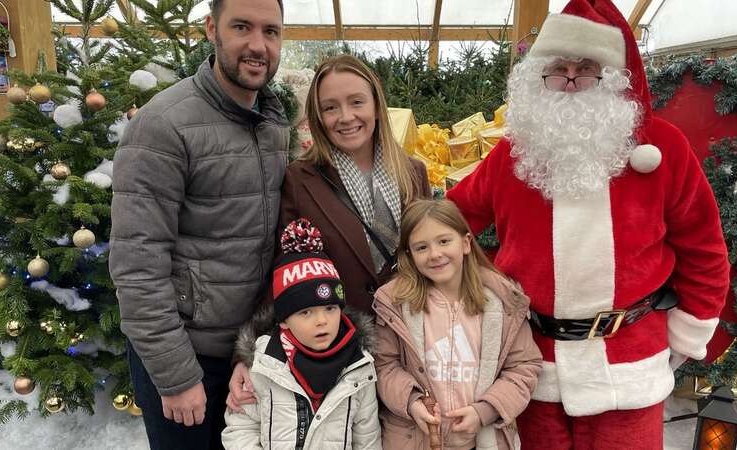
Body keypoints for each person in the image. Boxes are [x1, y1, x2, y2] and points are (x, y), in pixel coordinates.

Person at [446, 0, 730, 448]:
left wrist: (686, 333)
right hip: (533, 366)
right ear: (538, 77)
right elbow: (450, 221)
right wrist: (483, 289)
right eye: (559, 69)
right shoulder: (514, 153)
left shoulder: (664, 150)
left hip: (628, 366)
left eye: (588, 69)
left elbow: (705, 250)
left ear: (614, 79)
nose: (573, 81)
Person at [109, 0, 288, 448]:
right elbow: (137, 263)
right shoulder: (164, 125)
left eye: (271, 31)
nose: (258, 45)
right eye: (242, 27)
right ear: (211, 28)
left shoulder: (272, 122)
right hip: (189, 355)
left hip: (248, 353)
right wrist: (176, 376)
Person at [227, 54, 433, 412]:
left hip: (410, 345)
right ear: (318, 116)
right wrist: (247, 356)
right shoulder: (301, 179)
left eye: (356, 102)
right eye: (331, 107)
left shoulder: (412, 173)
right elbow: (284, 266)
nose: (346, 117)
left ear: (376, 104)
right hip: (340, 354)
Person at [373, 199, 542, 450]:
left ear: (465, 243)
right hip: (416, 440)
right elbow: (385, 365)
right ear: (409, 255)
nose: (435, 254)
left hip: (482, 440)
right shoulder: (396, 304)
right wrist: (412, 402)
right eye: (421, 247)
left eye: (444, 241)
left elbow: (524, 366)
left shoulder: (501, 303)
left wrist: (486, 410)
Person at [222, 219, 381, 449]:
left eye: (330, 308)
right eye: (306, 312)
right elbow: (240, 428)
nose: (321, 321)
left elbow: (368, 439)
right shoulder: (263, 363)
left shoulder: (359, 366)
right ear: (284, 321)